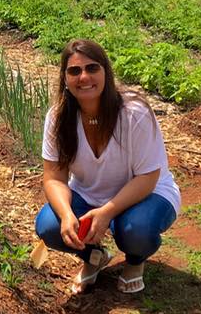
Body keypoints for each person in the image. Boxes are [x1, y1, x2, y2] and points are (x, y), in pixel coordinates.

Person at [34, 39, 180, 294]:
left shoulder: (134, 112)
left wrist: (107, 212)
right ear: (65, 79)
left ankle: (135, 261)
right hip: (90, 195)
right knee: (49, 224)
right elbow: (54, 178)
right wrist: (68, 215)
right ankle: (95, 257)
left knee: (136, 230)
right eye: (74, 71)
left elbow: (148, 177)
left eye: (92, 68)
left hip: (146, 194)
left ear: (106, 72)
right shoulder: (58, 117)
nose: (84, 77)